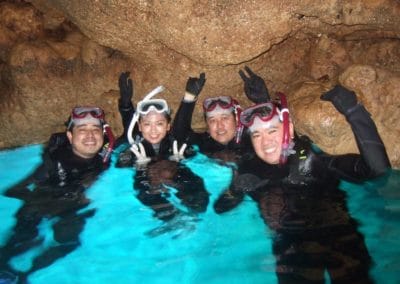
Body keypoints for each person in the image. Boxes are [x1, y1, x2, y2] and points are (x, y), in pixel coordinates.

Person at [214, 84, 391, 283]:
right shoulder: (249, 171)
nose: (265, 142)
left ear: (289, 129)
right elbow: (220, 207)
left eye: (272, 130)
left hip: (339, 237)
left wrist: (353, 111)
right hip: (291, 249)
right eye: (257, 135)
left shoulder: (311, 160)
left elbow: (377, 170)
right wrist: (234, 187)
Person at [0, 106, 115, 282]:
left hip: (71, 210)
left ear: (103, 135)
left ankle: (27, 275)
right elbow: (13, 190)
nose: (90, 136)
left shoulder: (103, 158)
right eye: (82, 130)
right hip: (38, 209)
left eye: (95, 130)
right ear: (70, 136)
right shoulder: (53, 164)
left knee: (69, 243)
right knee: (25, 239)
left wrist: (126, 104)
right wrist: (49, 201)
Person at [115, 72, 209, 221]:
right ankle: (174, 220)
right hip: (148, 183)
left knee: (199, 204)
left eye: (159, 124)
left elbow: (182, 125)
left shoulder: (175, 143)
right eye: (147, 124)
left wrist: (180, 161)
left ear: (167, 126)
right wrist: (140, 167)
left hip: (176, 175)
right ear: (139, 126)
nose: (153, 130)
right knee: (154, 199)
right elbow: (120, 170)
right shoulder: (134, 148)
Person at [172, 66, 270, 162]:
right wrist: (189, 98)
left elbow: (271, 131)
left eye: (225, 118)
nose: (219, 126)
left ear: (236, 119)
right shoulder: (203, 143)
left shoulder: (252, 138)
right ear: (207, 126)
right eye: (212, 120)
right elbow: (180, 135)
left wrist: (263, 103)